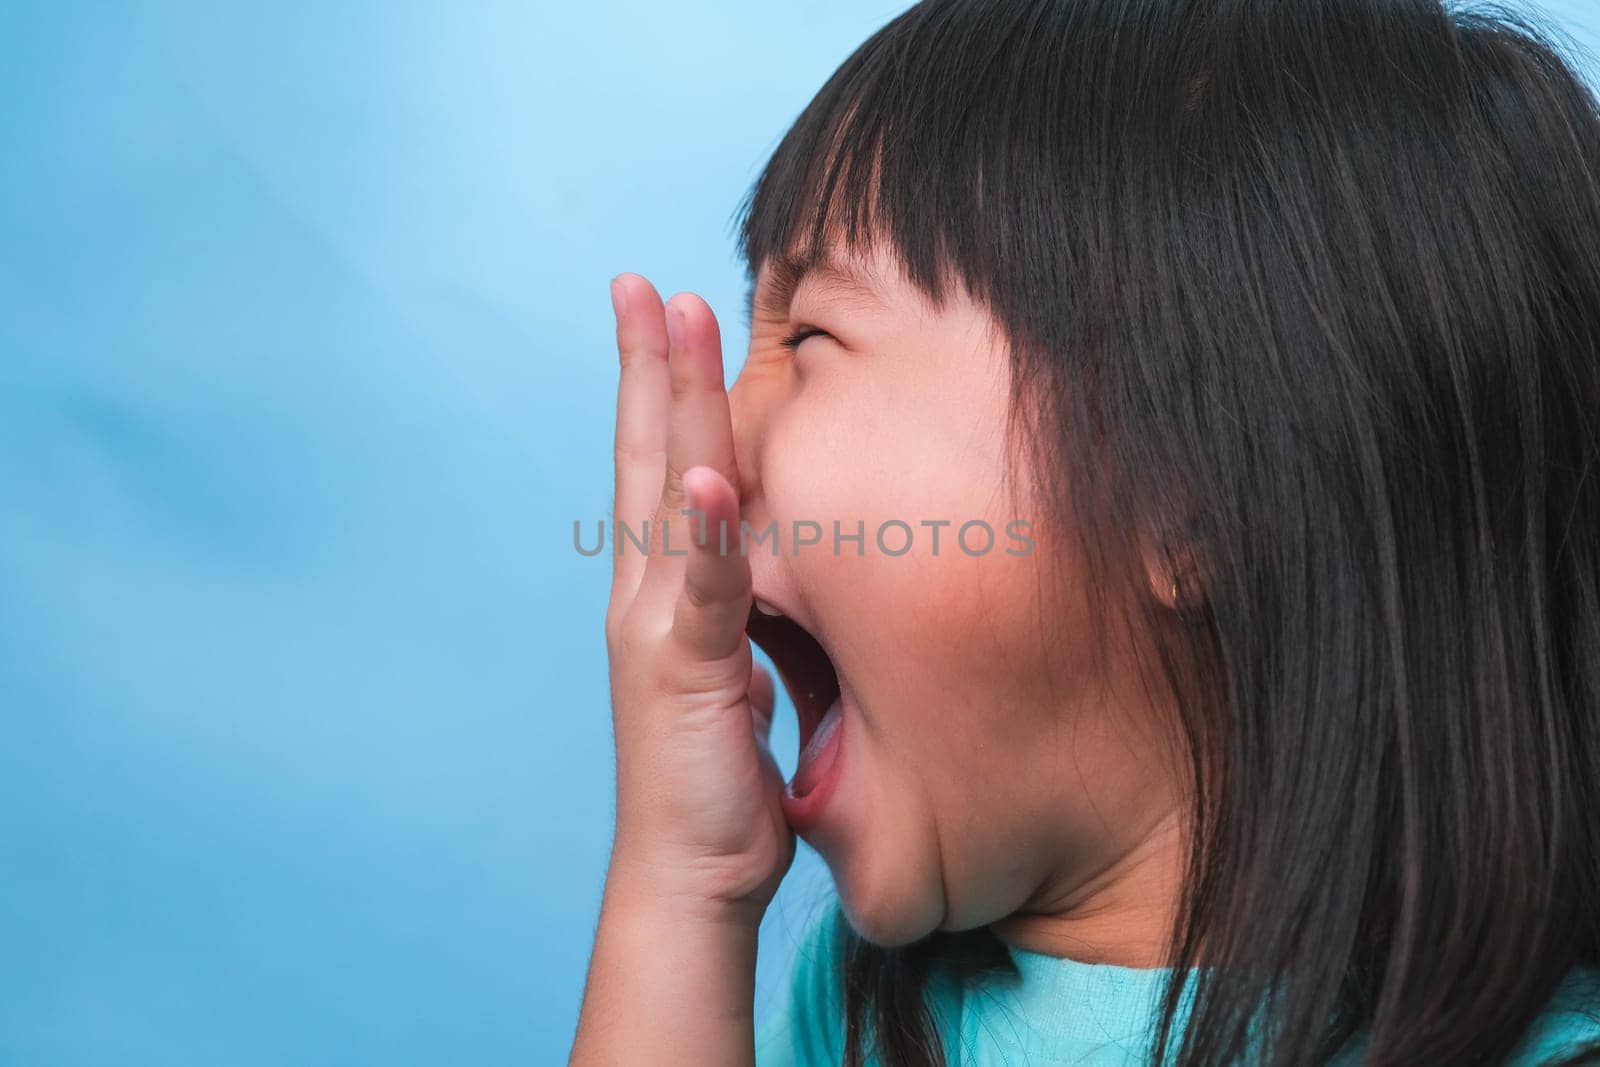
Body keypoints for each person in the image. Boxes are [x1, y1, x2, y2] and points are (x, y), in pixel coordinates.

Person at [569, 0, 1600, 1062]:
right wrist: (683, 885)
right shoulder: (864, 1015)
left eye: (814, 334)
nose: (718, 452)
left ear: (1199, 483)